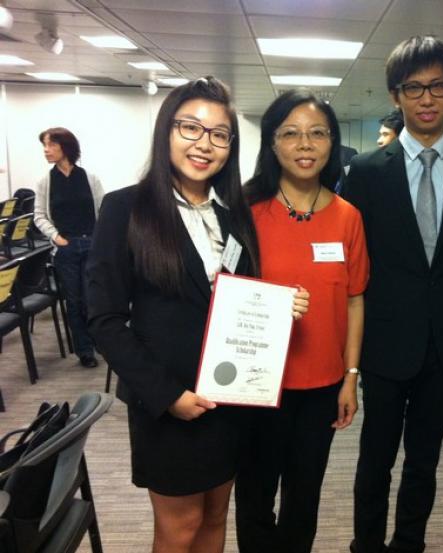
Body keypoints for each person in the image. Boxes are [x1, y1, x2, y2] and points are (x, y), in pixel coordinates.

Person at [87, 77, 309, 553]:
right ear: (166, 130)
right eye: (191, 127)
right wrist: (168, 396)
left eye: (219, 134)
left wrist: (276, 307)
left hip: (228, 399)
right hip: (170, 404)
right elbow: (104, 319)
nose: (204, 144)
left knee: (214, 519)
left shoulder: (231, 214)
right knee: (180, 526)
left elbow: (238, 295)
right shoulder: (127, 209)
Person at [343, 36, 443, 553]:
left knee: (424, 463)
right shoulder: (363, 173)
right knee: (375, 461)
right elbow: (350, 268)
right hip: (385, 346)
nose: (427, 99)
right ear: (396, 94)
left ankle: (409, 543)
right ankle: (366, 545)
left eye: (438, 87)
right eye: (414, 89)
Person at [235, 90, 369, 553]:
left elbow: (355, 300)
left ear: (332, 143)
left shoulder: (348, 217)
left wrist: (350, 378)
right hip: (256, 386)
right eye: (290, 134)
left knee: (304, 497)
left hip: (321, 387)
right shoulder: (244, 212)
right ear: (272, 144)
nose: (305, 144)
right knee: (254, 496)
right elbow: (223, 294)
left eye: (317, 133)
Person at [34, 127, 104, 368]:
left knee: (91, 298)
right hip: (66, 248)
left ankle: (97, 340)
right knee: (74, 301)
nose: (46, 150)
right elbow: (39, 216)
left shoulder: (89, 177)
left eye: (51, 145)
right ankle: (85, 351)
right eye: (44, 145)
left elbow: (102, 211)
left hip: (91, 243)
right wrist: (55, 237)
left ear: (66, 147)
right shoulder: (46, 182)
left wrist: (99, 240)